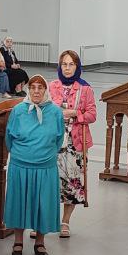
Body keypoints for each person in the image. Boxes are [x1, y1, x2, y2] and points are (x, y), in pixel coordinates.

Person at [4, 76, 63, 255]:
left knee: (42, 204)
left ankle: (40, 242)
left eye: (40, 87)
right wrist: (22, 155)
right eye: (33, 87)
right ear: (28, 90)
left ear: (46, 90)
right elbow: (9, 138)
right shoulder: (18, 111)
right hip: (21, 165)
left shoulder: (55, 112)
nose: (36, 91)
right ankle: (18, 241)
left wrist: (46, 155)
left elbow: (59, 139)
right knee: (19, 203)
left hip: (45, 166)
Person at [48, 50, 96, 236]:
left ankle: (65, 222)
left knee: (72, 183)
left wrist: (76, 114)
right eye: (64, 64)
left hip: (75, 141)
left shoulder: (85, 89)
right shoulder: (52, 86)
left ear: (77, 67)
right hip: (53, 140)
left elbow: (92, 115)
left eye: (71, 65)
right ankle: (44, 221)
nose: (67, 68)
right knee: (50, 181)